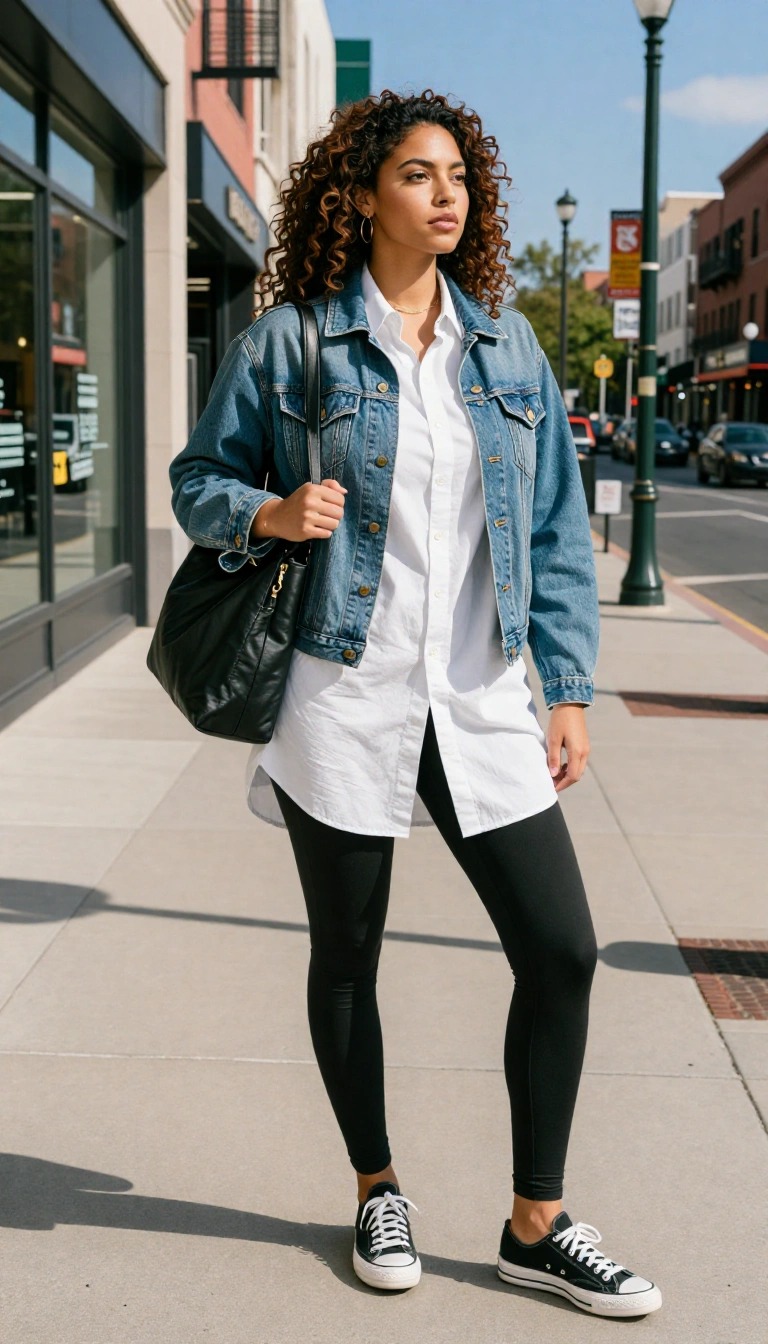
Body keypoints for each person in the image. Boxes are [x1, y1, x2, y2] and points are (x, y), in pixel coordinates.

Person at [169, 89, 662, 1319]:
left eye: (458, 177)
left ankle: (536, 1224)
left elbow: (554, 531)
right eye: (417, 175)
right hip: (344, 692)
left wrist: (567, 690)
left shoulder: (511, 351)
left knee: (562, 949)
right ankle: (376, 1185)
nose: (447, 195)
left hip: (482, 696)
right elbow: (197, 478)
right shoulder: (292, 343)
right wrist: (267, 511)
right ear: (362, 196)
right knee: (348, 955)